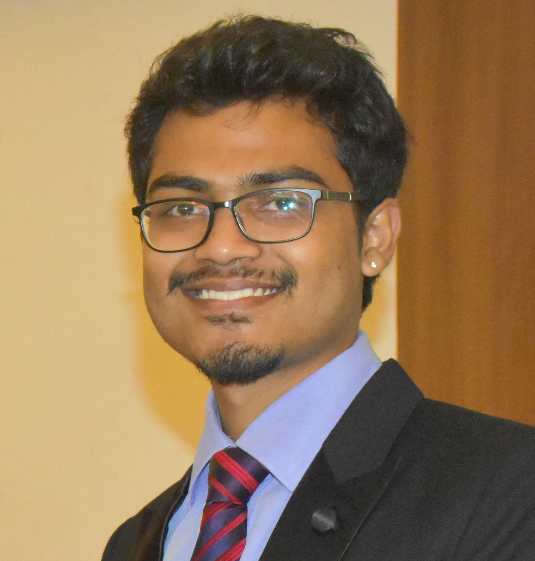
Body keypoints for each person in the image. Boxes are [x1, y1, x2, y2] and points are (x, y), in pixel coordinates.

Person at [102, 15, 535, 561]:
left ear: (375, 236)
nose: (222, 248)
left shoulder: (508, 491)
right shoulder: (136, 543)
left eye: (281, 202)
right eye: (182, 208)